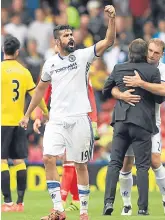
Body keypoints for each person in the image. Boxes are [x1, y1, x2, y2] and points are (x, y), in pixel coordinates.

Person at [19, 5, 116, 220]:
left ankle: (83, 212)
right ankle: (58, 209)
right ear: (57, 42)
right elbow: (40, 91)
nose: (70, 37)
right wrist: (28, 113)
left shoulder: (83, 56)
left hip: (80, 118)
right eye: (66, 35)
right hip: (57, 120)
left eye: (71, 34)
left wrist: (111, 20)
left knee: (80, 165)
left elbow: (108, 41)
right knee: (48, 158)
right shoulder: (50, 64)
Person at [102, 38, 163, 216]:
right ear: (145, 53)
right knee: (142, 167)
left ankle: (108, 203)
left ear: (129, 51)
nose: (152, 55)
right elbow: (160, 99)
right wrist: (144, 89)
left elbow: (106, 90)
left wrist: (121, 94)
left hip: (121, 122)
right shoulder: (152, 71)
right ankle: (142, 208)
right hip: (142, 123)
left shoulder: (118, 68)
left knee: (115, 163)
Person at [1, 36, 48, 212]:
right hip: (20, 121)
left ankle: (7, 202)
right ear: (18, 51)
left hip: (3, 122)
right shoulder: (23, 71)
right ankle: (20, 203)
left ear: (3, 50)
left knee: (2, 160)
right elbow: (36, 95)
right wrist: (45, 112)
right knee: (19, 161)